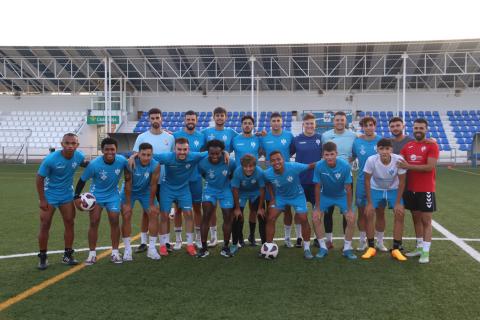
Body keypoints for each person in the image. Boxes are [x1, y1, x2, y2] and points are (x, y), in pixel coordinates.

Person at [145, 137, 213, 257]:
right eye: (179, 149)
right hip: (167, 188)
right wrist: (133, 156)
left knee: (188, 213)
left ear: (189, 149)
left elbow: (210, 152)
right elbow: (149, 156)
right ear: (174, 149)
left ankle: (190, 245)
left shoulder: (193, 156)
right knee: (164, 215)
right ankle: (163, 245)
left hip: (183, 189)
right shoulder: (167, 157)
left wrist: (225, 153)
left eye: (185, 149)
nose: (182, 152)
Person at [74, 137, 131, 265]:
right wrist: (76, 197)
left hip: (113, 196)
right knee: (94, 222)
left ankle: (115, 253)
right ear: (102, 150)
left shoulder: (122, 161)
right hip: (96, 197)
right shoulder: (94, 164)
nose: (110, 152)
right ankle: (92, 254)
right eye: (107, 149)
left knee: (115, 221)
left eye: (112, 149)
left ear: (116, 150)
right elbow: (82, 180)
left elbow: (131, 165)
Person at [36, 133, 88, 270]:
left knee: (70, 223)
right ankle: (42, 257)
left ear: (77, 145)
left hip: (67, 195)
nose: (70, 146)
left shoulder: (79, 156)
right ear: (62, 144)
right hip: (50, 195)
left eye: (73, 143)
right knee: (45, 224)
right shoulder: (51, 159)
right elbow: (39, 178)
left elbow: (83, 164)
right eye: (67, 143)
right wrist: (42, 199)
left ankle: (68, 255)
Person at [131, 107, 174, 253]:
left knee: (165, 212)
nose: (155, 120)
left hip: (165, 181)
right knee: (146, 211)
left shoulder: (170, 138)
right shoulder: (142, 137)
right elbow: (135, 156)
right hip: (146, 182)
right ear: (149, 120)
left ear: (162, 119)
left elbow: (173, 158)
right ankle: (143, 242)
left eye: (158, 118)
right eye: (153, 118)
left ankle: (166, 241)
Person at [399, 118, 439, 264]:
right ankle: (419, 247)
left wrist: (408, 166)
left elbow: (429, 167)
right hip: (411, 189)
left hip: (426, 189)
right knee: (416, 218)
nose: (418, 130)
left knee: (426, 220)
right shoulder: (408, 146)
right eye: (416, 128)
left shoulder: (432, 145)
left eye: (421, 128)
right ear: (413, 129)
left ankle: (426, 252)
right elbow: (398, 159)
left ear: (426, 130)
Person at [263, 151, 316, 260]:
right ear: (269, 162)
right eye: (273, 160)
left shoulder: (293, 166)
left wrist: (326, 160)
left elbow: (311, 166)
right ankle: (268, 247)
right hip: (281, 197)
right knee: (271, 217)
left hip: (297, 196)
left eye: (278, 159)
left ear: (284, 160)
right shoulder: (267, 173)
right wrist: (272, 198)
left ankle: (306, 248)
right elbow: (267, 183)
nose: (276, 162)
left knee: (303, 218)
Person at [362, 138, 407, 261]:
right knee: (369, 213)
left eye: (387, 148)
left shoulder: (399, 160)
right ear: (377, 149)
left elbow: (402, 182)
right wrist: (370, 203)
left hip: (393, 189)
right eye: (381, 149)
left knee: (400, 213)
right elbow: (366, 180)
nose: (384, 151)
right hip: (375, 188)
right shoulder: (371, 160)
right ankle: (371, 247)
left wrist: (397, 203)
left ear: (391, 149)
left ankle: (396, 248)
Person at [311, 142, 357, 260]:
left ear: (336, 154)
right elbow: (317, 186)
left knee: (351, 219)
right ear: (323, 155)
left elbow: (348, 188)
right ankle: (323, 247)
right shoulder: (319, 166)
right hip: (325, 195)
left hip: (341, 196)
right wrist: (317, 208)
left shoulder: (345, 166)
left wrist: (350, 209)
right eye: (327, 155)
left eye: (332, 154)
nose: (329, 157)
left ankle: (347, 249)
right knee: (316, 218)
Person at [202, 107, 238, 247]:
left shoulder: (231, 132)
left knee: (226, 215)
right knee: (209, 212)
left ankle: (226, 245)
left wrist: (260, 134)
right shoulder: (206, 132)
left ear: (226, 117)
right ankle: (213, 237)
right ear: (213, 117)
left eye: (222, 115)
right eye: (217, 115)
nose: (219, 118)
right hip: (211, 176)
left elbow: (244, 138)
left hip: (225, 178)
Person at [260, 112, 297, 248]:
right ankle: (270, 241)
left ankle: (287, 238)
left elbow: (292, 151)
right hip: (271, 178)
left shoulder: (289, 136)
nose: (276, 123)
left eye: (278, 120)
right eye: (273, 120)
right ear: (270, 123)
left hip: (286, 178)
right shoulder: (265, 137)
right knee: (272, 209)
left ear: (282, 122)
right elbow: (262, 153)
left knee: (287, 209)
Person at [321, 111, 357, 249]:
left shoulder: (353, 136)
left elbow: (354, 154)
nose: (340, 122)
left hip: (346, 178)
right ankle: (328, 240)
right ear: (333, 121)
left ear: (345, 121)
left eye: (342, 120)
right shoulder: (326, 136)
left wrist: (345, 163)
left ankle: (346, 241)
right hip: (328, 178)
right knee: (328, 210)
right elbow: (322, 154)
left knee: (346, 211)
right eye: (337, 120)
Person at [120, 142, 160, 261]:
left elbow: (153, 185)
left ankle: (152, 249)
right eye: (144, 155)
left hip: (145, 191)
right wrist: (127, 203)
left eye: (149, 155)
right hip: (129, 191)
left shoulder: (155, 165)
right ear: (138, 154)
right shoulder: (130, 163)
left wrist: (152, 204)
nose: (146, 158)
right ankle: (127, 250)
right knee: (126, 214)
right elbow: (128, 183)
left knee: (153, 213)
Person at [196, 140, 236, 258]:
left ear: (222, 152)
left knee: (228, 216)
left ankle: (225, 247)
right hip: (210, 190)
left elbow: (233, 174)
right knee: (206, 215)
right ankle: (204, 248)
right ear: (207, 152)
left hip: (225, 190)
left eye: (217, 154)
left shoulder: (230, 162)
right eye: (211, 153)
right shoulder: (202, 163)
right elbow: (203, 174)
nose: (214, 156)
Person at [173, 110, 206, 249]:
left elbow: (207, 153)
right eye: (188, 119)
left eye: (193, 119)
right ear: (184, 120)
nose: (190, 121)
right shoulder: (175, 136)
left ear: (196, 121)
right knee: (178, 209)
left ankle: (198, 238)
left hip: (196, 178)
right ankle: (179, 240)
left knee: (197, 208)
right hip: (180, 180)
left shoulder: (202, 136)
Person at [351, 116, 383, 251]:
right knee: (362, 212)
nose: (369, 127)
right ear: (362, 127)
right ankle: (362, 241)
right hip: (362, 182)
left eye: (371, 125)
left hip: (379, 182)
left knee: (379, 212)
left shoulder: (381, 140)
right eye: (366, 125)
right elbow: (351, 157)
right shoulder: (357, 142)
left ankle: (380, 242)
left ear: (375, 126)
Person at [292, 112, 323, 248]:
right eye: (307, 123)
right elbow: (288, 153)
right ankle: (299, 237)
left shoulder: (321, 138)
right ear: (303, 125)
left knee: (318, 210)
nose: (309, 125)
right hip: (301, 180)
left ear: (315, 125)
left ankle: (317, 237)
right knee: (299, 211)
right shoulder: (297, 139)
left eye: (312, 123)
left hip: (317, 181)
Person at [232, 115, 261, 246]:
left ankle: (252, 235)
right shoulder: (235, 139)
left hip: (254, 181)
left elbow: (261, 152)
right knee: (240, 211)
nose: (247, 125)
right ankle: (240, 237)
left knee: (254, 211)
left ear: (253, 126)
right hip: (240, 182)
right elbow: (225, 151)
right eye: (245, 123)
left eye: (250, 123)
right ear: (241, 125)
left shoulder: (258, 139)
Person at [231, 154, 266, 254]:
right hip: (241, 194)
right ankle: (235, 242)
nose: (248, 169)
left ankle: (263, 244)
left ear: (255, 165)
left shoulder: (259, 172)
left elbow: (262, 189)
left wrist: (260, 208)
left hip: (255, 193)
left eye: (251, 166)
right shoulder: (237, 172)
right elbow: (235, 190)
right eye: (245, 166)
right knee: (236, 216)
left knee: (261, 216)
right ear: (242, 166)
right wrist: (237, 208)